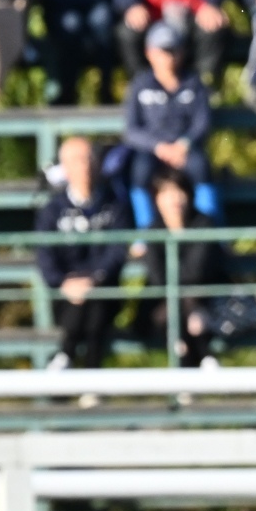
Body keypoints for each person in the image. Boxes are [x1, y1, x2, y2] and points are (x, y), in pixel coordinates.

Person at [34, 133, 129, 371]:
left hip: (104, 290)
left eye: (89, 158)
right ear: (64, 167)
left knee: (95, 301)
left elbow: (118, 251)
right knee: (82, 302)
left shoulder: (114, 204)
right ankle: (89, 371)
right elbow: (45, 254)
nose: (85, 166)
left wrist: (95, 278)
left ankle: (65, 355)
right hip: (66, 297)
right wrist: (64, 282)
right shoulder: (52, 210)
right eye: (77, 160)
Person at [111, 20, 217, 228]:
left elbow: (202, 123)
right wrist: (158, 147)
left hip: (185, 148)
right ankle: (145, 231)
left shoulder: (194, 84)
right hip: (151, 150)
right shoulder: (140, 85)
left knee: (202, 168)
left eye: (173, 50)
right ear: (149, 53)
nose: (168, 57)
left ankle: (210, 230)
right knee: (140, 172)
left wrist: (184, 144)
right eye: (162, 51)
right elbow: (131, 130)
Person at [133, 168, 231, 368]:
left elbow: (196, 272)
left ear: (189, 194)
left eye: (179, 191)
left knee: (181, 319)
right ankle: (206, 356)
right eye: (166, 192)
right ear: (156, 199)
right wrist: (190, 307)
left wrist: (190, 304)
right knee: (182, 316)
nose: (174, 199)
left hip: (201, 300)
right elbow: (159, 279)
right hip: (165, 305)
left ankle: (193, 363)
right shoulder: (152, 230)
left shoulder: (204, 224)